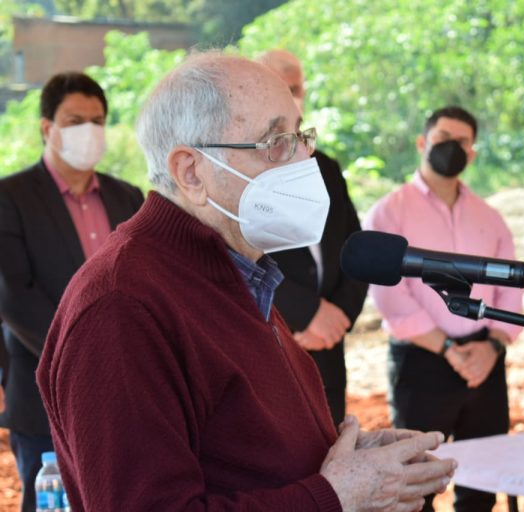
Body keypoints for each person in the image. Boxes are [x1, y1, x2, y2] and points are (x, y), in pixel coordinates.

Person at [36, 52, 456, 511]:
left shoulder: (235, 272)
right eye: (276, 142)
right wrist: (334, 495)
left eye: (301, 136)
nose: (306, 159)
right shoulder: (122, 305)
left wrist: (347, 460)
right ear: (191, 172)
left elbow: (243, 455)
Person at [365, 106, 523, 512]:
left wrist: (492, 346)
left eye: (462, 142)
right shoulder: (389, 211)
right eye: (443, 139)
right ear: (423, 142)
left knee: (483, 485)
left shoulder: (489, 217)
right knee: (417, 485)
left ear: (473, 153)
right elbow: (390, 295)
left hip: (485, 360)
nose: (452, 148)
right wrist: (449, 349)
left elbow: (510, 291)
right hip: (422, 362)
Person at [0, 72, 144, 512]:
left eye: (97, 121)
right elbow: (13, 295)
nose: (89, 131)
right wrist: (86, 356)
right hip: (45, 390)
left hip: (127, 390)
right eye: (75, 121)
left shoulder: (127, 197)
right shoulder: (10, 197)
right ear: (48, 128)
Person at [257, 49, 368, 425]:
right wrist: (303, 315)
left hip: (328, 347)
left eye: (296, 88)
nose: (291, 96)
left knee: (332, 444)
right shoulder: (244, 168)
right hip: (271, 343)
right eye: (279, 86)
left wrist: (339, 316)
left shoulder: (327, 168)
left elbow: (356, 248)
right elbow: (239, 256)